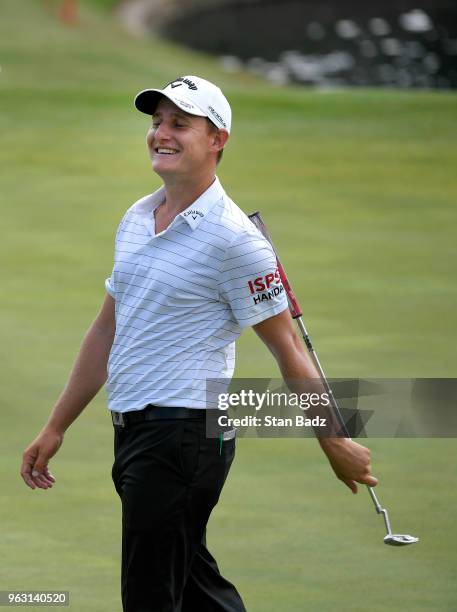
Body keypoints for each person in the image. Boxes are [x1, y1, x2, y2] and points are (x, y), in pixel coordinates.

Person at [20, 75, 378, 612]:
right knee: (194, 588)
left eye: (180, 124)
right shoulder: (137, 218)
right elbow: (106, 330)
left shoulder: (236, 241)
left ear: (218, 139)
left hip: (183, 434)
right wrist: (56, 425)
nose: (161, 133)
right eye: (158, 121)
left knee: (150, 595)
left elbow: (288, 351)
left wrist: (335, 441)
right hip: (138, 433)